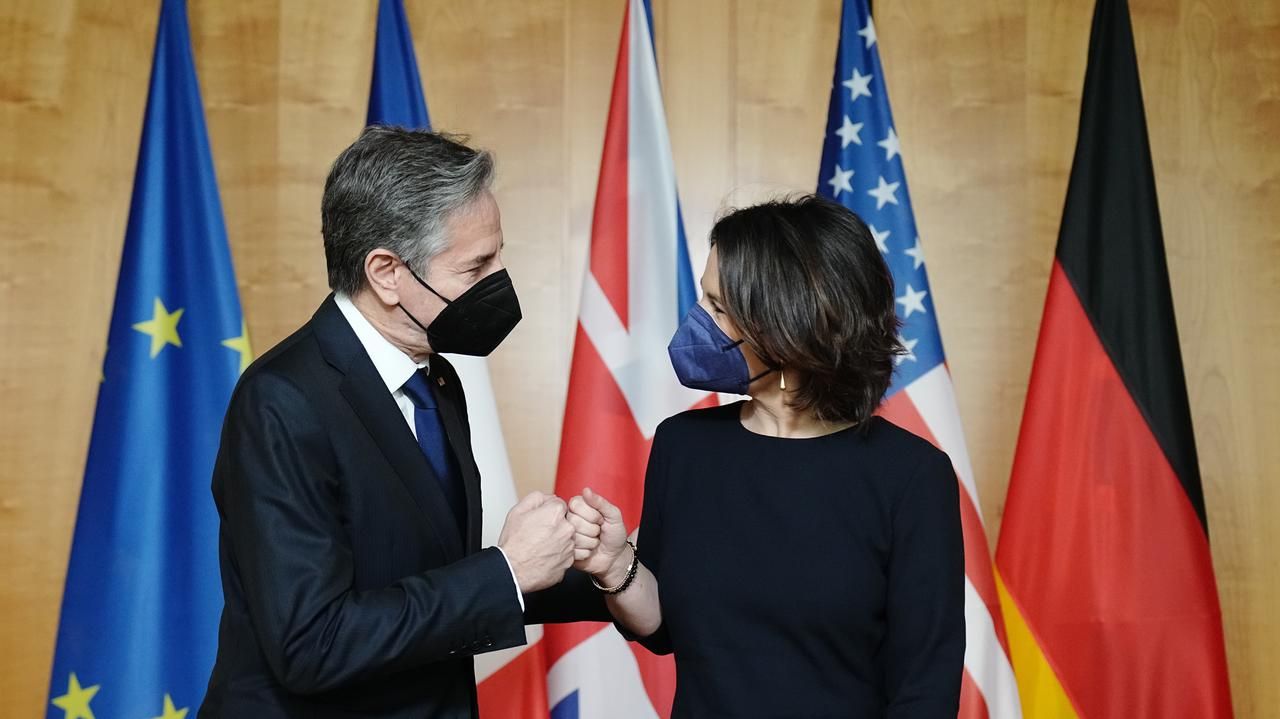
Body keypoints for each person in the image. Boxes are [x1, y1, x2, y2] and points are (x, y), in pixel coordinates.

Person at [200, 127, 606, 718]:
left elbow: (426, 580)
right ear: (387, 272)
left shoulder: (435, 380)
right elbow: (312, 643)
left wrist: (609, 573)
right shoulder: (282, 401)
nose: (500, 278)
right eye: (477, 266)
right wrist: (508, 572)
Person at [567, 194, 966, 717]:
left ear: (785, 327)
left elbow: (925, 693)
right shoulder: (682, 446)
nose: (696, 323)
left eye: (717, 307)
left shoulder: (912, 476)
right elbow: (664, 627)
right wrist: (616, 564)